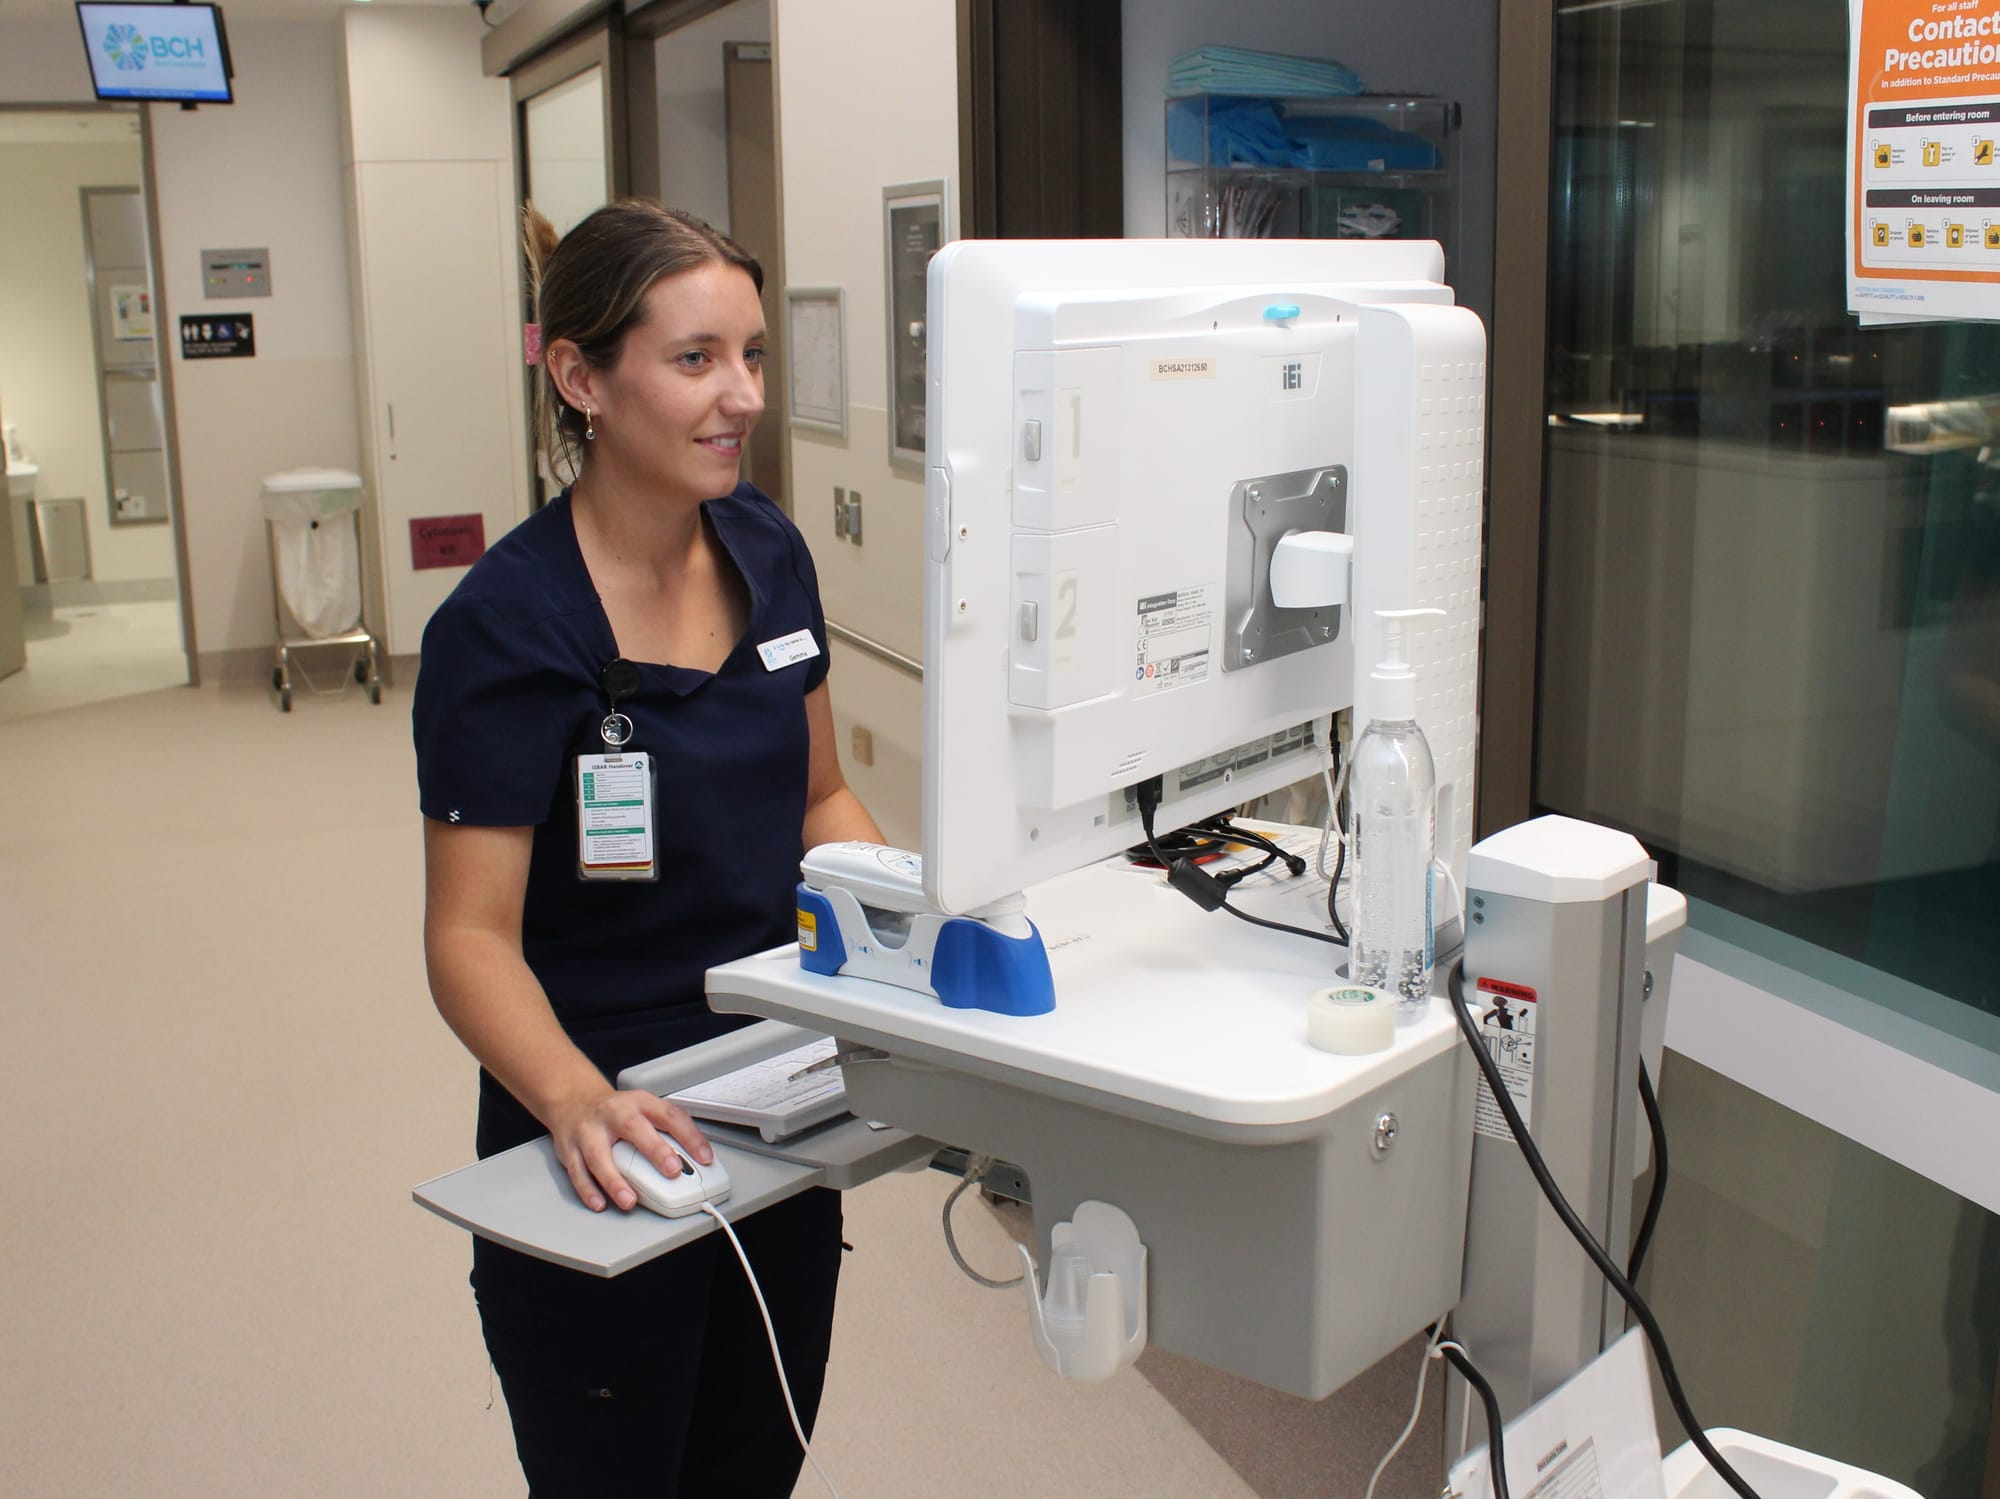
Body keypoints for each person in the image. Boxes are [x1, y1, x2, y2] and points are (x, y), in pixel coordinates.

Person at [413, 198, 882, 1498]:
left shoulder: (770, 553)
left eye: (753, 356)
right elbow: (467, 938)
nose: (740, 397)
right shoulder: (503, 631)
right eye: (694, 361)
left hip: (779, 1102)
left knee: (753, 1465)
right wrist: (576, 1100)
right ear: (579, 376)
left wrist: (911, 931)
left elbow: (821, 799)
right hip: (600, 1134)